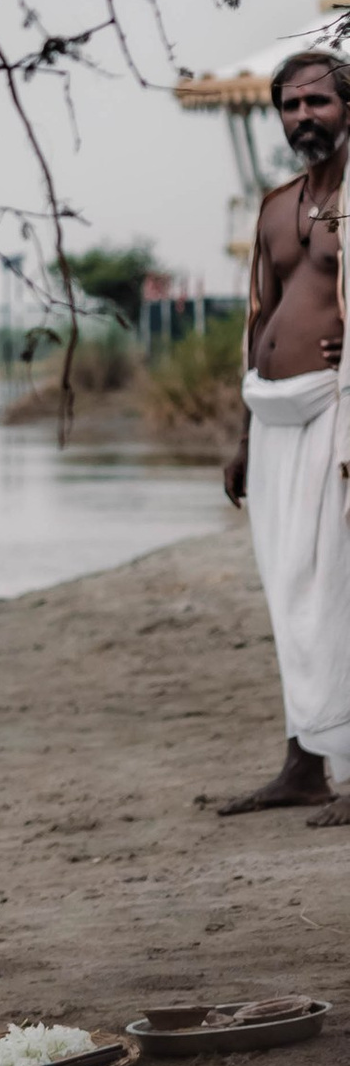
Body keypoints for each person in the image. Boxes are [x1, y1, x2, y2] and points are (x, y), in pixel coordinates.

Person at [221, 44, 350, 822]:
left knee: (339, 586)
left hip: (340, 412)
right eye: (291, 105)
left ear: (348, 107)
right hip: (273, 417)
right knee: (289, 588)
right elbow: (259, 320)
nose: (303, 116)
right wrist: (242, 437)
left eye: (317, 101)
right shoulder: (275, 206)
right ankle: (304, 765)